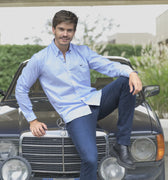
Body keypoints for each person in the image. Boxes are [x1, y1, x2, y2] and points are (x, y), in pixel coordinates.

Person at [15, 10, 142, 180]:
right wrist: (32, 119)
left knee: (125, 81)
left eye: (69, 30)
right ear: (53, 29)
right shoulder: (40, 59)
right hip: (75, 113)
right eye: (61, 29)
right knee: (90, 159)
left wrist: (132, 72)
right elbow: (21, 88)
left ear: (74, 32)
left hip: (95, 101)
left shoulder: (83, 52)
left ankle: (122, 144)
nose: (65, 34)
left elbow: (108, 66)